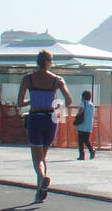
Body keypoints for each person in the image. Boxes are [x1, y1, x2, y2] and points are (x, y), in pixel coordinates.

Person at [17, 50, 73, 201]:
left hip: (35, 117)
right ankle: (39, 192)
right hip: (50, 118)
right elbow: (68, 100)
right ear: (50, 62)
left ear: (37, 61)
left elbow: (19, 103)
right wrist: (57, 109)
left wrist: (33, 100)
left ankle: (42, 179)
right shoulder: (57, 80)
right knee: (43, 156)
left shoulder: (28, 79)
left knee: (36, 159)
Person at [75, 90, 96, 160]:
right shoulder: (91, 104)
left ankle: (82, 155)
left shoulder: (83, 103)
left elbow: (81, 110)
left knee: (80, 140)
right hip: (89, 124)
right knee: (86, 139)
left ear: (83, 97)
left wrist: (77, 115)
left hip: (82, 124)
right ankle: (91, 150)